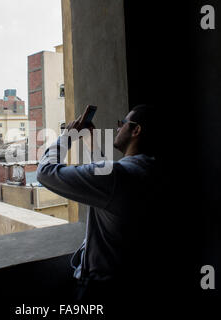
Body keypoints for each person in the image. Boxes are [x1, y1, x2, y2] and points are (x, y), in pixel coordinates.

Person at [36, 104, 159, 304]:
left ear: (136, 130)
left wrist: (67, 137)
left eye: (123, 123)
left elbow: (45, 172)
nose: (118, 128)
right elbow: (106, 184)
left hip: (101, 290)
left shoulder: (117, 177)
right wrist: (90, 139)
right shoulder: (152, 171)